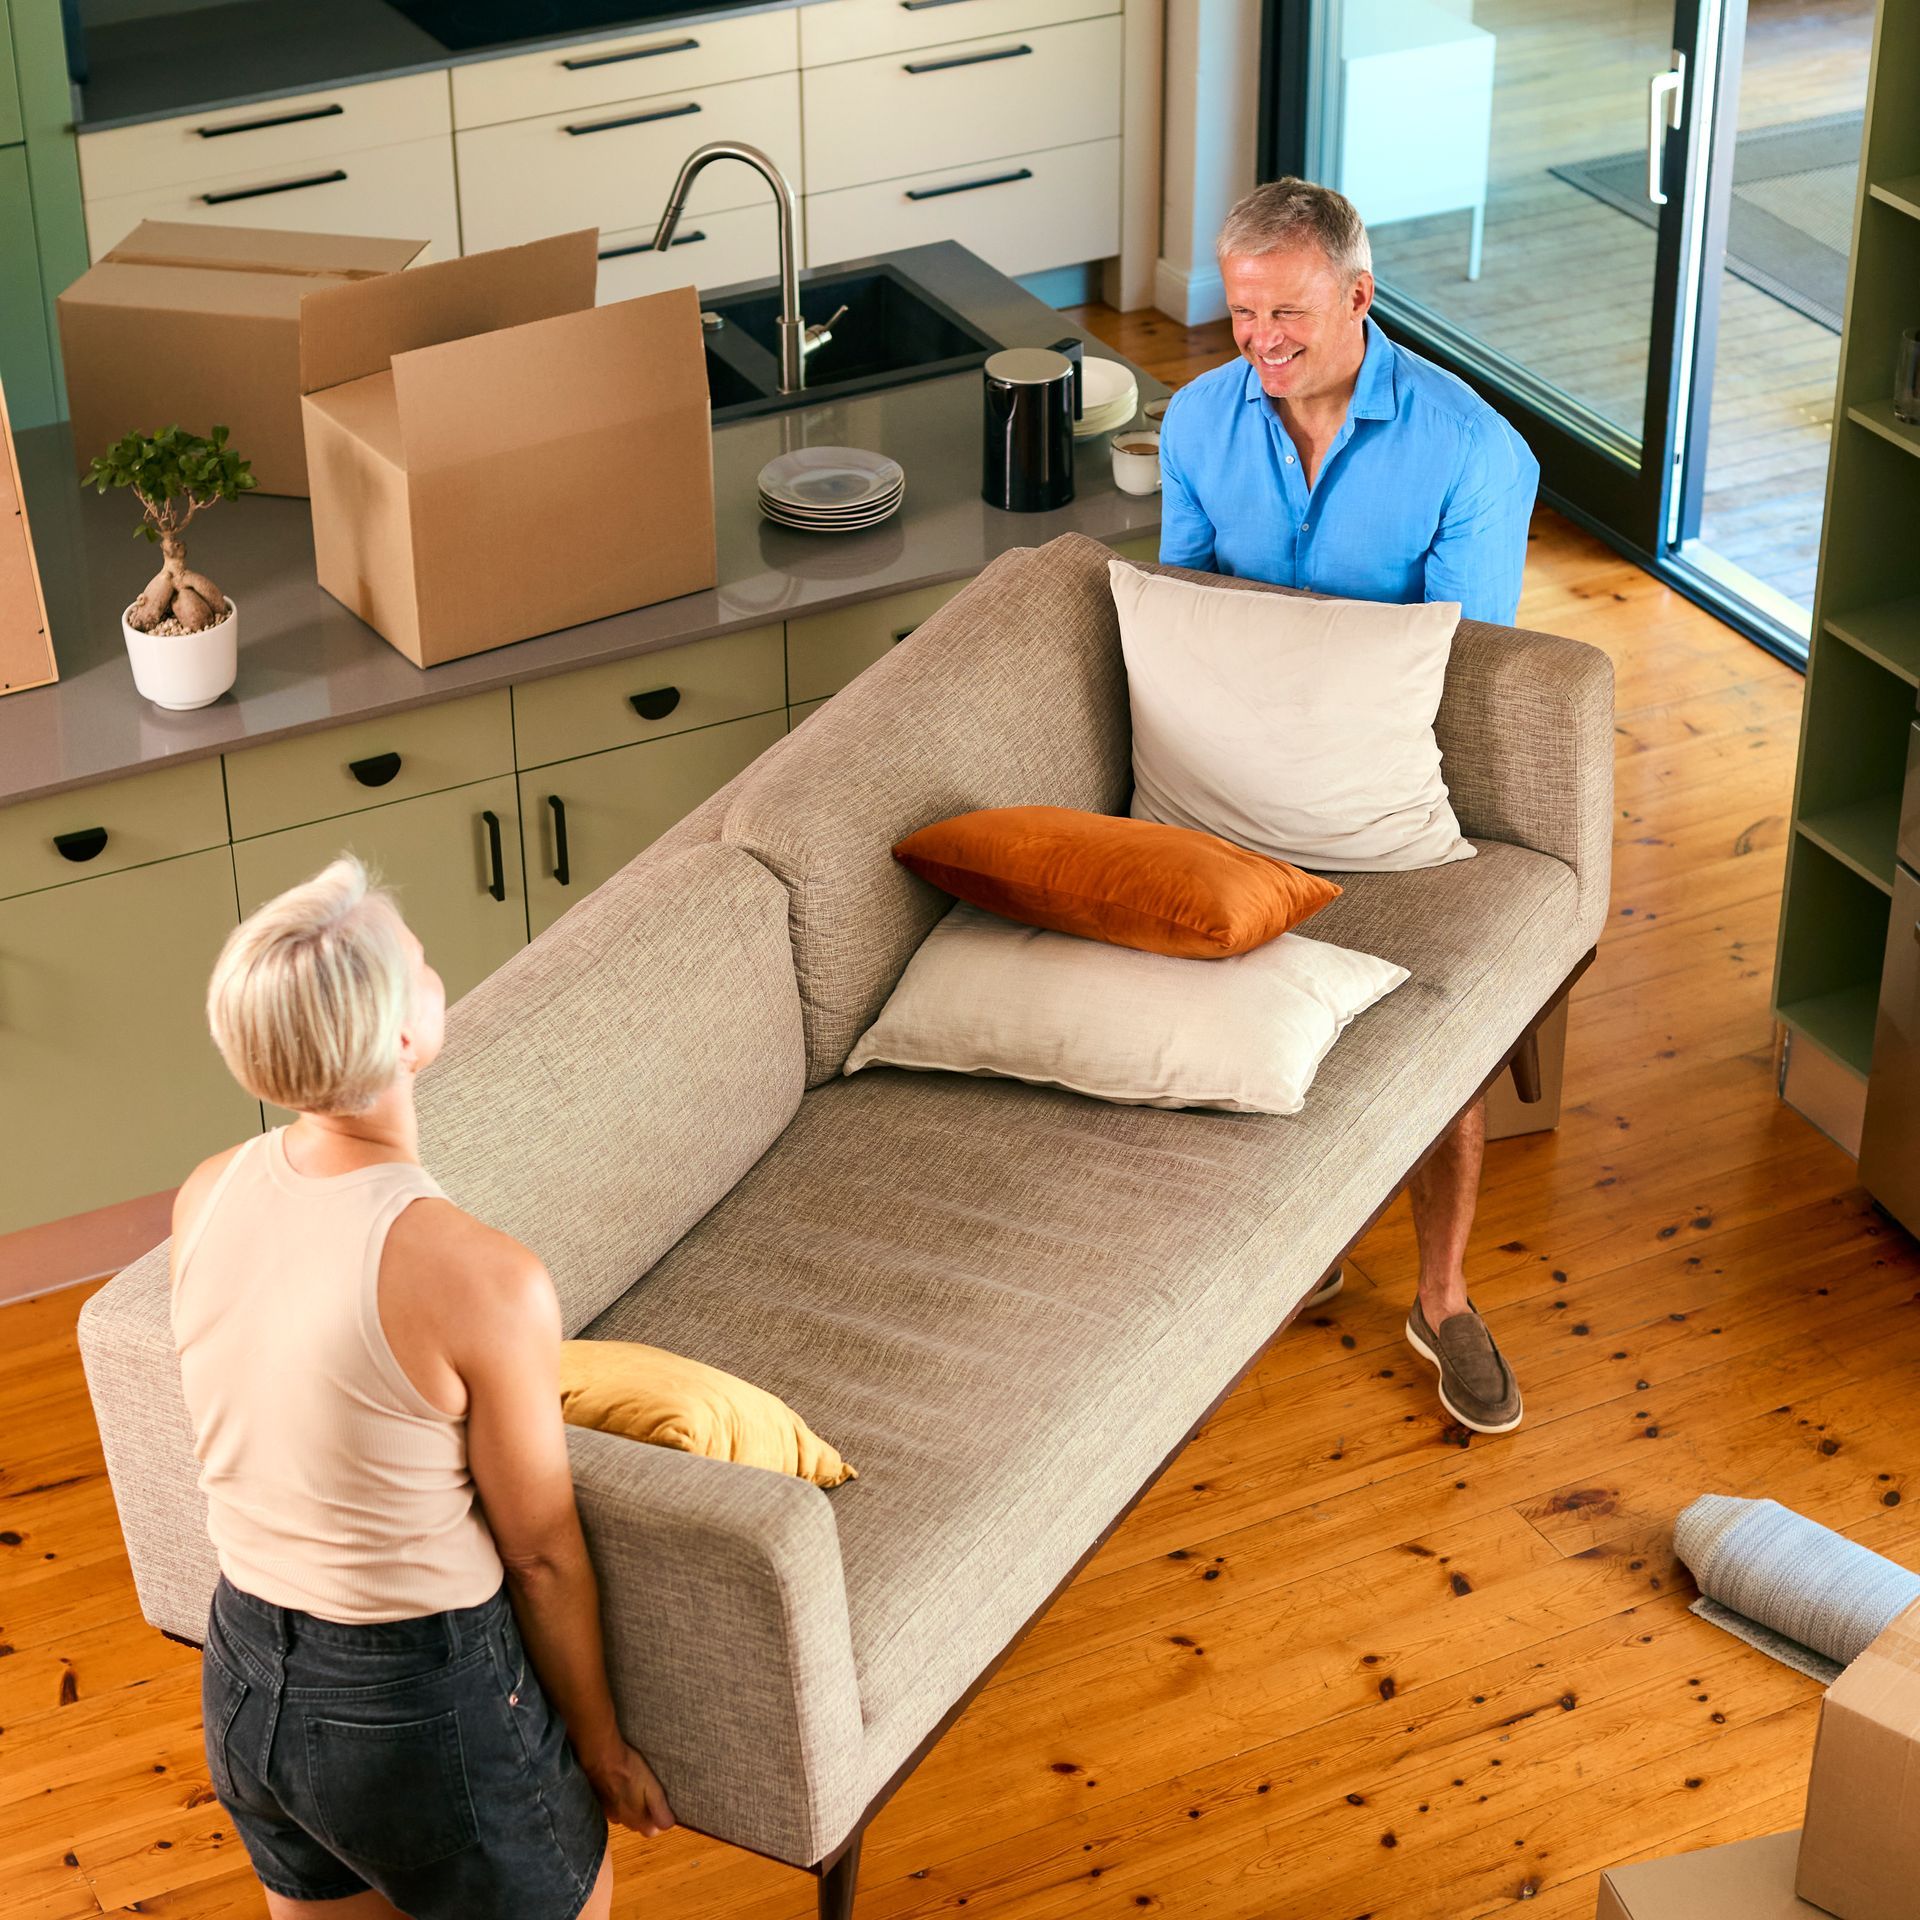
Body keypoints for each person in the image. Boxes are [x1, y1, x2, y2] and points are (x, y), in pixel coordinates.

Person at [171, 856, 674, 1920]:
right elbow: (540, 1556)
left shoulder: (208, 1195)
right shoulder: (482, 1278)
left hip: (245, 1673)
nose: (436, 972)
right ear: (402, 1039)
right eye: (423, 965)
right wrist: (600, 1748)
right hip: (416, 1703)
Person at [1159, 176, 1540, 1435]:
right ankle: (1301, 1240)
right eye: (1241, 313)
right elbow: (1188, 613)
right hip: (1234, 763)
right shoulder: (1201, 422)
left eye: (1289, 313)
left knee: (1440, 1031)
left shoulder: (1472, 453)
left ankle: (1441, 1295)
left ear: (1361, 298)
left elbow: (1465, 681)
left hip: (1394, 770)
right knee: (1217, 1002)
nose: (1260, 341)